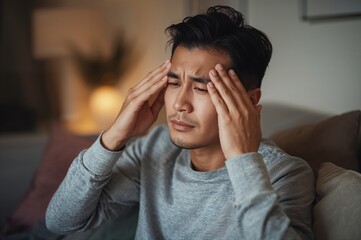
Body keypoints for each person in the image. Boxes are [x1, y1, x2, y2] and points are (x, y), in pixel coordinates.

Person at [46, 5, 314, 239]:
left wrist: (243, 161)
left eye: (201, 88)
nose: (179, 104)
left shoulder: (285, 174)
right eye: (174, 82)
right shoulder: (155, 148)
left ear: (249, 100)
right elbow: (62, 221)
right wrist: (113, 137)